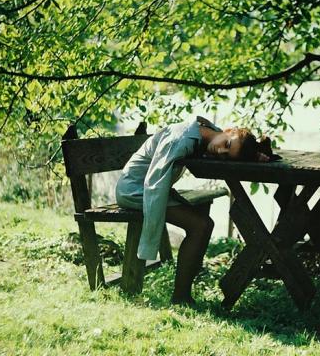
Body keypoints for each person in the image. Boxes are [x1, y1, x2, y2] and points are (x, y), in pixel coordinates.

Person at [115, 116, 273, 305]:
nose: (221, 151)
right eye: (227, 144)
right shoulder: (180, 140)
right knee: (201, 225)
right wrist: (150, 240)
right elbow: (154, 184)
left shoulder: (204, 133)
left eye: (225, 155)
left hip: (150, 187)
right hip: (135, 190)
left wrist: (256, 155)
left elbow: (234, 147)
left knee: (204, 223)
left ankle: (185, 291)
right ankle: (180, 296)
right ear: (228, 130)